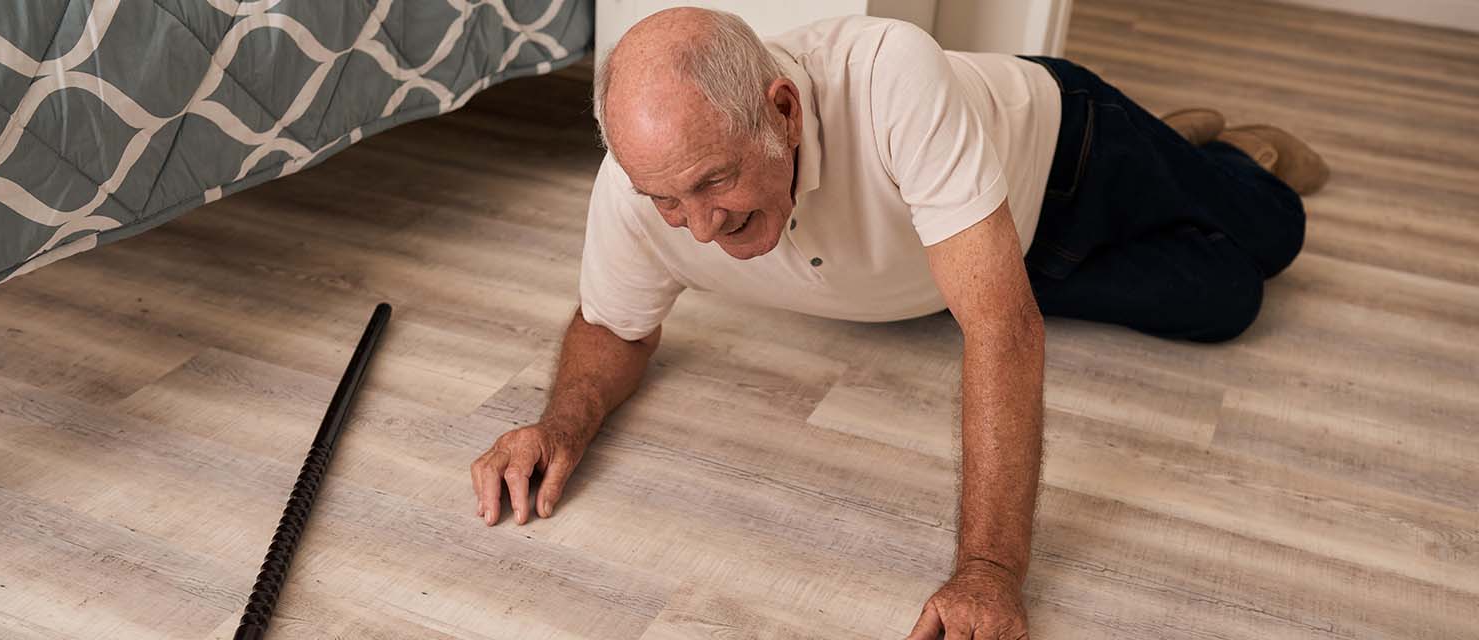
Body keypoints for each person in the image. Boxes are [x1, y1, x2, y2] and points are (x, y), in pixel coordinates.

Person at [469, 7, 1326, 638]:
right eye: (667, 199)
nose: (697, 226)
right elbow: (614, 327)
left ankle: (1212, 154)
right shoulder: (638, 187)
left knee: (1273, 234)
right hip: (990, 252)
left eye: (716, 181)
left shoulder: (891, 74)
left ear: (783, 108)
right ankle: (1183, 154)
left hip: (1070, 155)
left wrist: (989, 572)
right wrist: (560, 423)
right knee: (1226, 301)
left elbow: (1000, 330)